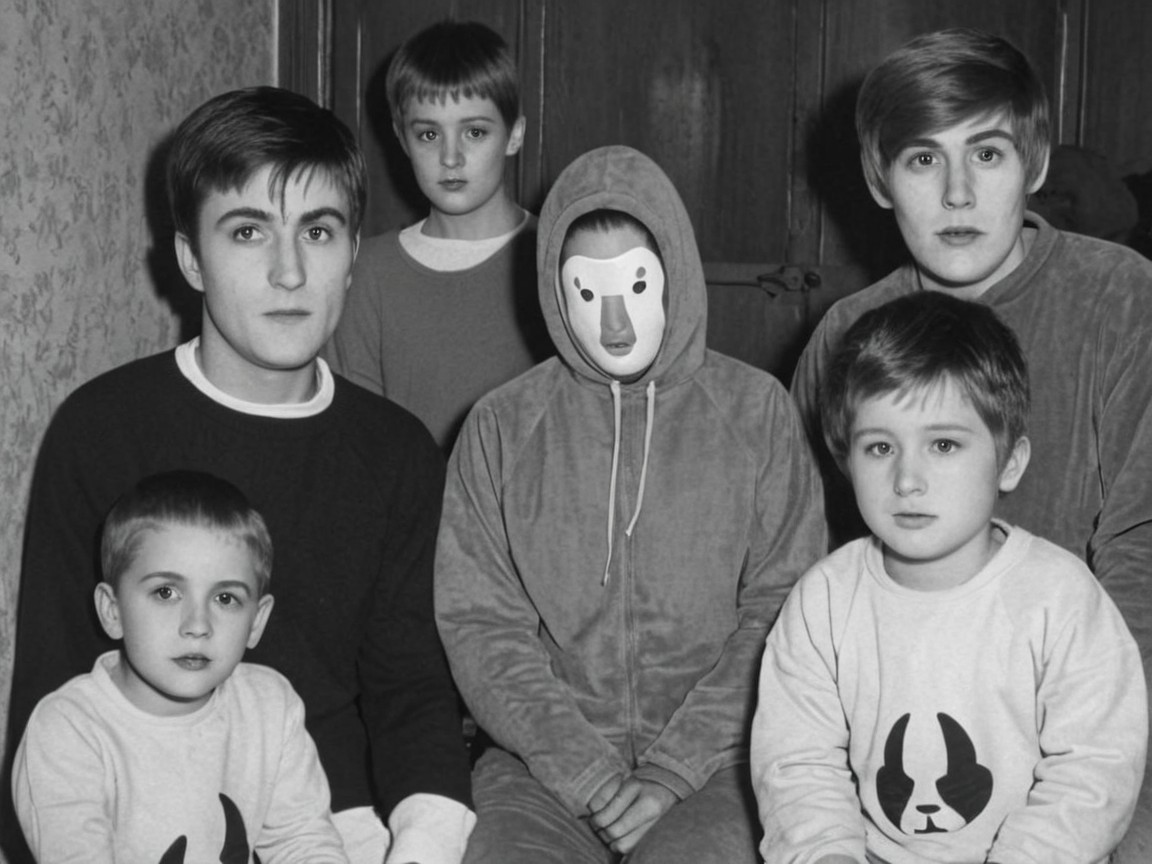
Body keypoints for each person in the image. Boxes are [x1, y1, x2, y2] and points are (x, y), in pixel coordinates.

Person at [4, 86, 473, 864]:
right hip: (137, 819)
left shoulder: (395, 451)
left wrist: (422, 845)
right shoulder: (102, 428)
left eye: (318, 232)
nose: (289, 272)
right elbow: (52, 700)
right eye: (249, 231)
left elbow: (411, 691)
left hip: (335, 821)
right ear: (191, 256)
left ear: (354, 252)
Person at [789, 29, 1152, 856]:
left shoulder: (1122, 299)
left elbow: (1141, 545)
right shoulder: (845, 333)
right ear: (880, 179)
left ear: (1035, 162)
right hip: (903, 718)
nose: (957, 194)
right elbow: (811, 567)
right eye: (922, 161)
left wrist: (1093, 749)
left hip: (1101, 709)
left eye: (986, 154)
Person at [435, 144, 827, 864]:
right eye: (588, 293)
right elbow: (482, 623)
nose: (615, 323)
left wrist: (675, 770)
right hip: (539, 771)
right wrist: (583, 773)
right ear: (554, 291)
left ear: (675, 274)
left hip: (722, 763)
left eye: (637, 285)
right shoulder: (500, 425)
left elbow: (781, 608)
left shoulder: (757, 413)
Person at [755, 292, 1147, 864]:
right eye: (880, 446)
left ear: (1009, 461)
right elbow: (796, 762)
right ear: (846, 461)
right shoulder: (823, 602)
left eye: (943, 444)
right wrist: (826, 854)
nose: (907, 479)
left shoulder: (1062, 598)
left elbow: (1095, 768)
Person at [12, 470, 349, 862]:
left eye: (225, 598)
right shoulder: (69, 729)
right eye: (166, 592)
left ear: (256, 621)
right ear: (112, 610)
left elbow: (302, 840)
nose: (197, 626)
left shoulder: (270, 706)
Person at [326, 19, 551, 452]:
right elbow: (359, 443)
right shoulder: (367, 272)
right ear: (401, 138)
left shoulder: (555, 257)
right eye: (429, 134)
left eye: (475, 132)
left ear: (515, 135)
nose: (451, 157)